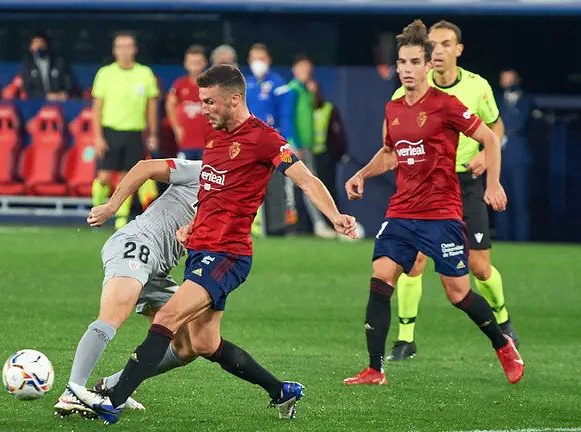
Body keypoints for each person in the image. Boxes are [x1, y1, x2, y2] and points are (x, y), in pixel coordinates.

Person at [78, 64, 358, 424]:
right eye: (201, 101)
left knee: (166, 317)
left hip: (228, 255)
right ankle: (282, 391)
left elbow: (305, 179)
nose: (203, 109)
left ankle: (111, 399)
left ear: (235, 99)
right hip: (200, 250)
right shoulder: (214, 139)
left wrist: (334, 216)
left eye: (210, 101)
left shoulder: (264, 138)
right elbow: (214, 194)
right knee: (205, 344)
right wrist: (192, 226)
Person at [342, 20, 523, 386]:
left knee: (458, 292)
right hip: (401, 211)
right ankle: (375, 368)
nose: (407, 70)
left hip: (441, 213)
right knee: (380, 279)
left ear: (428, 65)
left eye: (414, 62)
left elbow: (490, 138)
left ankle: (503, 345)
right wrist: (362, 173)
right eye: (401, 63)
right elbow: (391, 154)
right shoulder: (393, 108)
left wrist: (492, 184)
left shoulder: (446, 105)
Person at [387, 20, 518, 361]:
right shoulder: (409, 89)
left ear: (458, 49)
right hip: (426, 187)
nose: (439, 50)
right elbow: (392, 139)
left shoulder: (476, 87)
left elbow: (495, 126)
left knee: (478, 267)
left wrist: (485, 160)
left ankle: (503, 322)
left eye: (446, 44)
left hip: (466, 183)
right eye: (433, 45)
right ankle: (405, 339)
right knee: (412, 263)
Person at [53, 157, 202, 417]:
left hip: (159, 269)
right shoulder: (202, 171)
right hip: (138, 245)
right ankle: (72, 392)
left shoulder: (233, 198)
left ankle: (111, 388)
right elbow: (145, 167)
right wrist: (112, 206)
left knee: (189, 346)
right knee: (113, 316)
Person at [91, 31, 159, 230]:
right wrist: (97, 136)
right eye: (120, 47)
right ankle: (97, 208)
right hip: (110, 130)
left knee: (126, 177)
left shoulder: (145, 74)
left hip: (134, 132)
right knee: (104, 176)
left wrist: (153, 134)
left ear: (135, 49)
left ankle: (121, 217)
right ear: (114, 50)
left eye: (128, 46)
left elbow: (152, 107)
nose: (124, 51)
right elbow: (97, 108)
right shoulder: (105, 74)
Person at [245, 43, 297, 236]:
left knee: (277, 185)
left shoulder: (278, 84)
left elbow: (286, 114)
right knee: (249, 185)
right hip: (250, 142)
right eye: (254, 58)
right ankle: (252, 225)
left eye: (261, 58)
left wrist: (287, 139)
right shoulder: (246, 84)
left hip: (273, 142)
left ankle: (279, 227)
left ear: (268, 60)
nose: (257, 62)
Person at [288, 54, 336, 238]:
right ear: (294, 70)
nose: (305, 73)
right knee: (302, 186)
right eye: (302, 69)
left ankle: (317, 223)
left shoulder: (306, 91)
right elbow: (288, 118)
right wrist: (294, 143)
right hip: (297, 146)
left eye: (308, 70)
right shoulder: (292, 90)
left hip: (307, 146)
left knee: (309, 184)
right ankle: (303, 225)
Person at [495, 69, 533, 243]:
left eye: (509, 79)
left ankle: (522, 239)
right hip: (499, 158)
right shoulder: (496, 100)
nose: (506, 82)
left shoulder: (526, 101)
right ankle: (503, 238)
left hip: (518, 158)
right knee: (500, 201)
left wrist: (503, 127)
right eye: (504, 79)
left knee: (520, 200)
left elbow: (520, 123)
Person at [306, 79, 348, 218]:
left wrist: (341, 151)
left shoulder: (328, 109)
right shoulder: (303, 110)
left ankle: (333, 220)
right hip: (307, 154)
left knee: (328, 189)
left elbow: (338, 133)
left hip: (325, 156)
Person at [166, 45, 208, 160]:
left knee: (205, 174)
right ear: (185, 63)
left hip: (207, 142)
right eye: (191, 62)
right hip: (186, 141)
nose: (194, 66)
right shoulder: (180, 84)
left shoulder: (211, 85)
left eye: (198, 62)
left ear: (204, 63)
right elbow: (170, 105)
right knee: (184, 175)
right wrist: (176, 128)